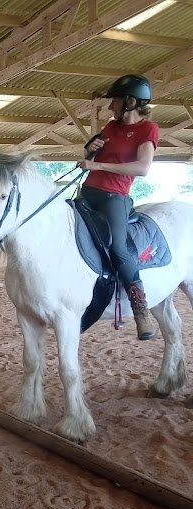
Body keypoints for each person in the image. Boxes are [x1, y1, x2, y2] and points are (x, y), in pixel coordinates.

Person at [77, 74, 159, 340]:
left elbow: (142, 168)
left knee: (118, 247)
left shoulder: (148, 129)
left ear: (131, 102)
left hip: (115, 197)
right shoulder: (110, 128)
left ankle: (141, 310)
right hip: (88, 191)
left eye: (115, 100)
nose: (111, 106)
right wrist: (90, 150)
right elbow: (92, 157)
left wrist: (98, 165)